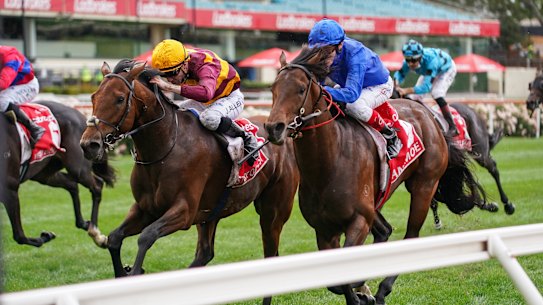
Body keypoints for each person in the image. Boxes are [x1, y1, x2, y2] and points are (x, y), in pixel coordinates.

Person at [149, 39, 259, 164]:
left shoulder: (205, 65)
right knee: (173, 112)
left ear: (185, 65)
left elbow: (206, 93)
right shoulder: (179, 59)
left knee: (209, 119)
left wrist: (169, 88)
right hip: (205, 101)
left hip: (229, 98)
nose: (169, 79)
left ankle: (246, 137)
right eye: (165, 75)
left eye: (172, 73)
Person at [308, 18, 402, 159]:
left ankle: (389, 134)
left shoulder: (355, 53)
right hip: (351, 84)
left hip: (379, 85)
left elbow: (352, 94)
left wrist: (322, 91)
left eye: (327, 51)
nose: (322, 56)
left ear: (340, 45)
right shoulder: (327, 52)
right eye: (318, 50)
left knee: (354, 106)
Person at [394, 39, 459, 136]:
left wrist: (405, 90)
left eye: (414, 60)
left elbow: (426, 87)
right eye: (408, 60)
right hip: (429, 71)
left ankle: (452, 126)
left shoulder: (431, 61)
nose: (411, 63)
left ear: (420, 57)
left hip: (446, 69)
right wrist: (396, 83)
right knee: (414, 97)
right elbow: (400, 74)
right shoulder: (408, 61)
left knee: (437, 93)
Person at [0, 45, 44, 148]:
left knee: (2, 101)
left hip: (26, 85)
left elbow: (3, 83)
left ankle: (34, 128)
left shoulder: (10, 55)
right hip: (10, 85)